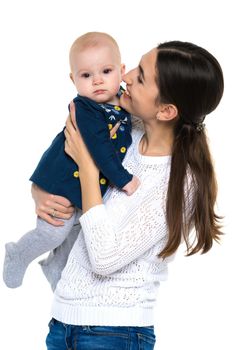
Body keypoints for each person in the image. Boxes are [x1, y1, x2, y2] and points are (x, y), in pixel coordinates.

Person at [32, 40, 224, 350]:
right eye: (137, 65)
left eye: (142, 76)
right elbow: (63, 155)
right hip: (63, 323)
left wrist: (89, 171)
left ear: (166, 111)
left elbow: (105, 260)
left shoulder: (181, 182)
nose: (127, 75)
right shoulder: (125, 130)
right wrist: (39, 192)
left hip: (115, 334)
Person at [3, 32, 140, 289]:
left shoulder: (124, 100)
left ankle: (54, 268)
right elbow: (100, 150)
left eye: (106, 71)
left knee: (77, 239)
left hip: (86, 190)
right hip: (61, 182)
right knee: (54, 231)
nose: (97, 81)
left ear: (121, 71)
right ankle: (18, 253)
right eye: (86, 75)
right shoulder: (86, 109)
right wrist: (124, 179)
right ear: (73, 79)